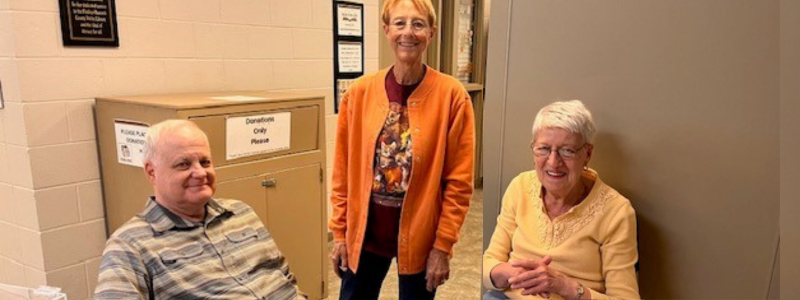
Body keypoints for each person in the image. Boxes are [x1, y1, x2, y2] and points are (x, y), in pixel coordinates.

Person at [328, 0, 475, 299]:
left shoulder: (452, 97)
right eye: (399, 23)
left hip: (420, 238)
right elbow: (342, 172)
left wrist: (443, 246)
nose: (408, 32)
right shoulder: (358, 93)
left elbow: (459, 184)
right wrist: (340, 234)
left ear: (431, 33)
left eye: (418, 24)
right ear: (386, 30)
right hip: (365, 234)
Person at [93, 120, 306, 300]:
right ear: (152, 172)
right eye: (184, 164)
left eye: (205, 162)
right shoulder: (130, 246)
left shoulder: (241, 212)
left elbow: (285, 277)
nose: (200, 173)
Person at [482, 100, 640, 300]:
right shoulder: (519, 186)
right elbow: (490, 262)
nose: (553, 162)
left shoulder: (616, 211)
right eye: (544, 149)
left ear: (587, 154)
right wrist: (511, 273)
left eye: (567, 151)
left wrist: (565, 286)